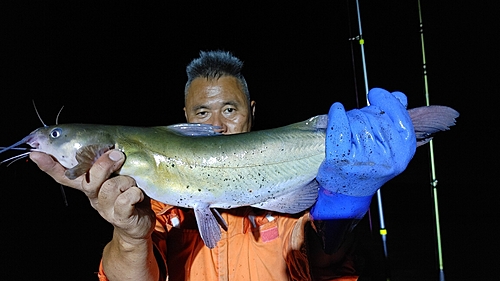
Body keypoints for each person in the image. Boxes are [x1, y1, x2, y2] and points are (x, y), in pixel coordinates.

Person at [29, 50, 416, 280]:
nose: (216, 124)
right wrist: (131, 236)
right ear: (183, 117)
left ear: (251, 111)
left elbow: (325, 262)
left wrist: (343, 204)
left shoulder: (287, 207)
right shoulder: (156, 210)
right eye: (202, 112)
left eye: (229, 109)